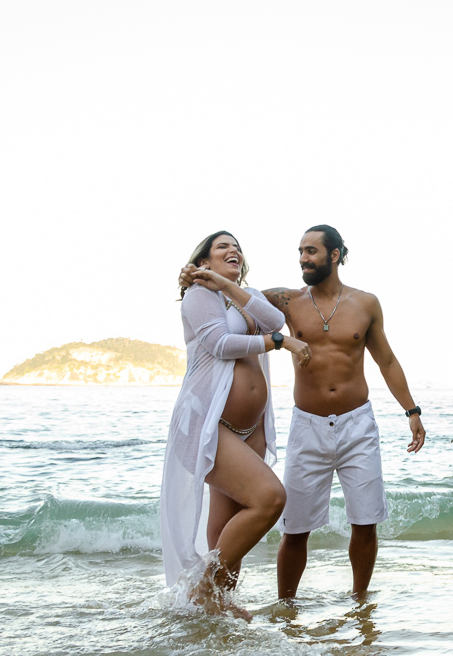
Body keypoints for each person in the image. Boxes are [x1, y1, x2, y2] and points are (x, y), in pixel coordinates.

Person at [179, 224, 426, 602]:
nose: (303, 259)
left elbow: (387, 360)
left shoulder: (366, 303)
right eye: (300, 252)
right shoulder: (286, 299)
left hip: (357, 422)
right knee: (294, 526)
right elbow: (243, 302)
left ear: (336, 255)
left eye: (311, 251)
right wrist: (200, 276)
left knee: (365, 521)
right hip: (306, 424)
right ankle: (286, 606)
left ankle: (360, 601)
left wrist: (411, 410)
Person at [161, 231, 311, 619]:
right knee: (270, 499)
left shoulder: (247, 294)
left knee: (225, 526)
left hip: (250, 428)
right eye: (221, 247)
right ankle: (203, 589)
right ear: (203, 261)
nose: (233, 250)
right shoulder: (198, 297)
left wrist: (231, 285)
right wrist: (279, 343)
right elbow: (220, 344)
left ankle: (217, 611)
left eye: (237, 247)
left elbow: (275, 318)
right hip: (210, 423)